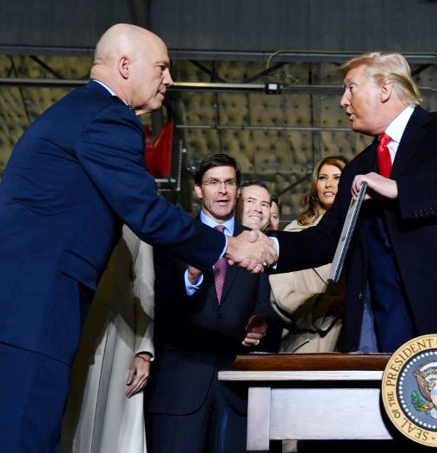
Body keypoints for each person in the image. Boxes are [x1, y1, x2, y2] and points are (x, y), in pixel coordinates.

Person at [0, 23, 273, 452]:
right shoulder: (108, 116)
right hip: (36, 301)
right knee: (25, 432)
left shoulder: (80, 111)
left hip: (30, 298)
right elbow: (147, 212)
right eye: (162, 67)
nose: (169, 80)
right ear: (125, 66)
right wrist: (230, 244)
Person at [272, 52, 437, 353]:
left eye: (351, 88)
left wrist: (400, 189)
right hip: (377, 329)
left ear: (384, 89)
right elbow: (329, 237)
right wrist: (271, 247)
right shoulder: (357, 167)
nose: (343, 101)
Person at [145, 154, 278, 453]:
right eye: (213, 182)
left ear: (238, 191)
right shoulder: (172, 237)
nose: (222, 190)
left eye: (229, 183)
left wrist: (262, 324)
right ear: (197, 190)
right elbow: (154, 307)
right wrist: (190, 277)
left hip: (236, 392)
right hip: (180, 388)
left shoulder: (256, 243)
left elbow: (267, 309)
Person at [61, 226, 154, 453]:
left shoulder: (133, 221)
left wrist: (144, 351)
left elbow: (145, 287)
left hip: (120, 340)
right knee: (69, 427)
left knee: (116, 430)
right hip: (69, 335)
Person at [270, 156, 348, 353]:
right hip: (310, 341)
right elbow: (282, 296)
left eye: (337, 177)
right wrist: (331, 306)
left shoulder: (363, 231)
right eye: (323, 178)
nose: (329, 184)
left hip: (355, 341)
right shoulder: (295, 233)